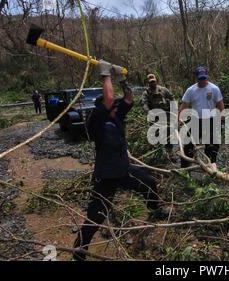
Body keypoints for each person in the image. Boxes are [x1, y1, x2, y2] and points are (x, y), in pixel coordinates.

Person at [72, 60, 168, 261]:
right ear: (103, 109)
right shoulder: (96, 122)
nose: (116, 107)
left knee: (148, 182)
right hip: (106, 176)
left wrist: (123, 79)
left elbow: (129, 99)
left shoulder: (115, 117)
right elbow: (108, 98)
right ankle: (79, 252)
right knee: (96, 216)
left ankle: (154, 210)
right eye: (112, 106)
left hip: (124, 170)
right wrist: (105, 73)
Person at [178, 66, 225, 168]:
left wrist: (222, 121)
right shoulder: (191, 90)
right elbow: (183, 106)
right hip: (195, 120)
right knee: (188, 145)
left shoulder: (214, 89)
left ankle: (211, 167)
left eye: (204, 78)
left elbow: (221, 105)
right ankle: (185, 168)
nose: (202, 81)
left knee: (212, 146)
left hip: (210, 121)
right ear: (196, 78)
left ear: (207, 77)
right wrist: (179, 121)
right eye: (200, 79)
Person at [140, 74, 175, 156]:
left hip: (166, 115)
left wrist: (174, 110)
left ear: (156, 81)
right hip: (154, 117)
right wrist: (148, 111)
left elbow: (172, 97)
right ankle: (158, 153)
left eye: (154, 81)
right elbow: (144, 103)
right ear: (148, 83)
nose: (152, 83)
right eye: (151, 82)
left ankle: (170, 153)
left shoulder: (163, 90)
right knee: (155, 135)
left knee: (168, 134)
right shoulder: (146, 93)